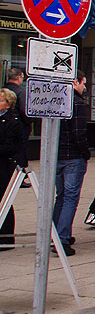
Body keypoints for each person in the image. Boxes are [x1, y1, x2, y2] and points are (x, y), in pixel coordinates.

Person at [51, 72, 90, 256]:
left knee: (61, 196)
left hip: (57, 155)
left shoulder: (55, 99)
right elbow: (79, 133)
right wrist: (85, 153)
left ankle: (54, 233)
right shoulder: (77, 103)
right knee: (70, 198)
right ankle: (62, 238)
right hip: (72, 156)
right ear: (75, 82)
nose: (84, 87)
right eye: (83, 83)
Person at [0, 88, 27, 249]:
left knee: (4, 199)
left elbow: (11, 146)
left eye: (1, 100)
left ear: (8, 104)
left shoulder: (13, 121)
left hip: (5, 165)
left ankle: (7, 237)